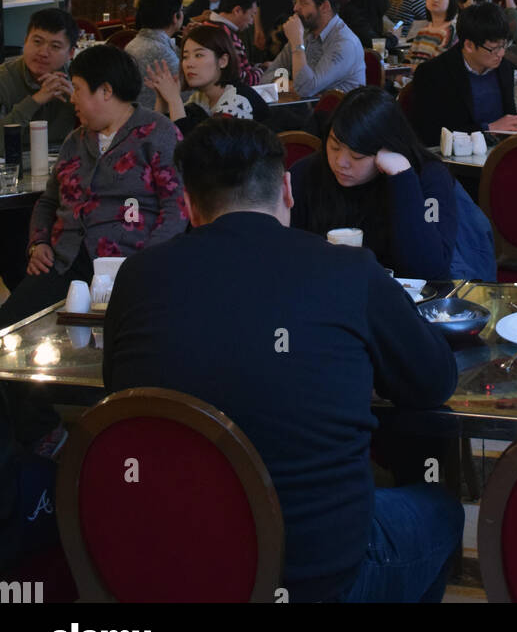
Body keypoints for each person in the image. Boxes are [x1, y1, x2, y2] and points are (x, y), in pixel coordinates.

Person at [103, 118, 463, 603]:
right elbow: (433, 381)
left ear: (187, 203)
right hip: (320, 576)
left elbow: (120, 398)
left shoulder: (136, 278)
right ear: (287, 190)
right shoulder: (349, 270)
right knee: (441, 509)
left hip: (172, 564)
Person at [0, 45, 186, 332]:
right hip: (65, 263)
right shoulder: (75, 141)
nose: (71, 98)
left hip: (127, 265)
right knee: (8, 329)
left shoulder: (157, 133)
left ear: (106, 91)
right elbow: (48, 202)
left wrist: (146, 264)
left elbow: (176, 208)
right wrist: (38, 244)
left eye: (77, 89)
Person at [290, 87, 458, 279]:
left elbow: (430, 270)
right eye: (334, 146)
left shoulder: (427, 177)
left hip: (403, 301)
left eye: (357, 155)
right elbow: (285, 251)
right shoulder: (307, 173)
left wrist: (402, 179)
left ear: (388, 150)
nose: (340, 162)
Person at [409, 2, 517, 146]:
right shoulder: (433, 74)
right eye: (494, 48)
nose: (501, 53)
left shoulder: (504, 67)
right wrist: (488, 129)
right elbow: (429, 133)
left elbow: (509, 117)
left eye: (504, 45)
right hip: (458, 159)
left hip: (502, 149)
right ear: (469, 45)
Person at [145, 23, 268, 130]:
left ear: (223, 61)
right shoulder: (200, 98)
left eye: (199, 55)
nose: (189, 64)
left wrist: (174, 100)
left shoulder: (237, 101)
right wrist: (162, 99)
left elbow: (198, 151)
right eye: (185, 57)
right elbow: (163, 138)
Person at [267, 0, 366, 96]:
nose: (295, 8)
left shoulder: (344, 43)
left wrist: (297, 43)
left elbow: (305, 89)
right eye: (295, 2)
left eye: (303, 3)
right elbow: (267, 76)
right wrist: (294, 86)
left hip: (336, 113)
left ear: (325, 6)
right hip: (304, 110)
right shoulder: (305, 33)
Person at [0, 8, 78, 150]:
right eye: (37, 42)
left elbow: (107, 133)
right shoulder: (4, 78)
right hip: (15, 163)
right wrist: (35, 101)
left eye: (55, 46)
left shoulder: (79, 77)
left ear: (71, 53)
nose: (43, 53)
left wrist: (78, 101)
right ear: (25, 41)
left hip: (66, 159)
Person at [125, 0, 183, 110]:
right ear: (176, 16)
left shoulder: (138, 42)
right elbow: (188, 96)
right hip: (156, 120)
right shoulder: (158, 51)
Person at [202, 0, 266, 86]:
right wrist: (263, 69)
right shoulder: (227, 36)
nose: (252, 22)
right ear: (237, 11)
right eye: (252, 15)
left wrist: (257, 66)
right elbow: (244, 81)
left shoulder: (207, 25)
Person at [406, 0, 457, 65]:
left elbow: (437, 64)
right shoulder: (423, 31)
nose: (436, 0)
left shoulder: (450, 30)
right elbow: (409, 57)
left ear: (451, 2)